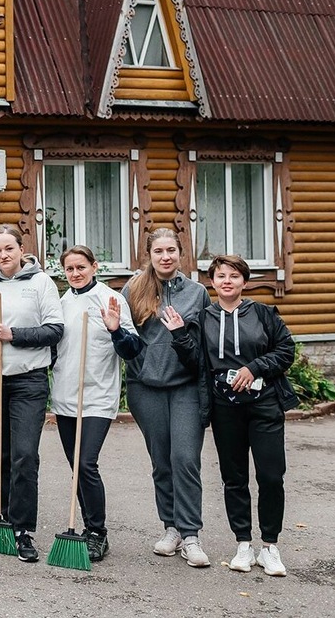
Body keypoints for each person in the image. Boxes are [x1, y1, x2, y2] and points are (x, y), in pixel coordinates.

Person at [168, 254, 298, 577]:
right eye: (221, 275)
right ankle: (243, 543)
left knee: (270, 475)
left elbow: (285, 351)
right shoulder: (204, 318)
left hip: (264, 405)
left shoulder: (264, 314)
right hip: (225, 410)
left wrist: (253, 367)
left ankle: (270, 546)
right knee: (234, 478)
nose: (227, 281)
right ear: (212, 282)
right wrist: (181, 336)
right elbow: (196, 362)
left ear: (244, 281)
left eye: (234, 276)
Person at [0, 224, 64, 562]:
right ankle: (5, 513)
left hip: (28, 380)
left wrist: (15, 334)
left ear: (22, 249)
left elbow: (54, 330)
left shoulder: (41, 283)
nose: (3, 255)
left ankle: (23, 530)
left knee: (25, 455)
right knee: (1, 456)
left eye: (9, 248)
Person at [121, 227, 212, 567]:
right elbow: (126, 338)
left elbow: (203, 345)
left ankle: (190, 536)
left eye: (171, 250)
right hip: (146, 388)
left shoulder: (197, 293)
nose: (165, 257)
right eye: (159, 251)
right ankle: (170, 528)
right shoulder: (134, 288)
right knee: (161, 462)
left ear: (180, 252)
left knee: (185, 459)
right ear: (150, 254)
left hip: (185, 386)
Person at [51, 246, 143, 562]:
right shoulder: (61, 303)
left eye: (81, 267)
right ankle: (88, 527)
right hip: (65, 395)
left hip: (98, 395)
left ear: (94, 266)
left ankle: (98, 532)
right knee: (76, 467)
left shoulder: (110, 299)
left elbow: (132, 350)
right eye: (70, 269)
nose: (76, 274)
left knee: (86, 463)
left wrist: (116, 330)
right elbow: (53, 348)